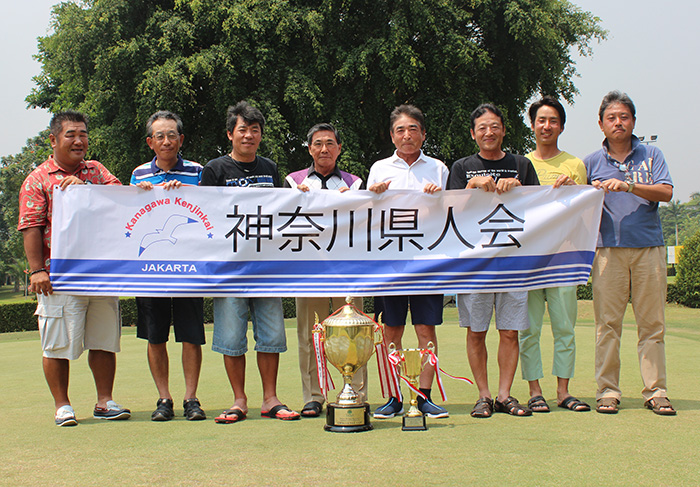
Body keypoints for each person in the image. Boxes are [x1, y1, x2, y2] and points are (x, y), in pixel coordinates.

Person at [18, 110, 130, 426]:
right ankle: (62, 405)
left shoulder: (96, 171)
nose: (79, 141)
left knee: (104, 340)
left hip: (100, 271)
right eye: (71, 135)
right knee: (56, 343)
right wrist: (36, 270)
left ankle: (105, 401)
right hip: (59, 274)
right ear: (53, 140)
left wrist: (83, 187)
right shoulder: (38, 179)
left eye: (83, 134)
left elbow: (120, 197)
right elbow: (31, 227)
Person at [201, 101, 300, 423]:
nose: (248, 136)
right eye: (242, 130)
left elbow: (285, 211)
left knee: (271, 335)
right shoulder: (215, 170)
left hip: (267, 269)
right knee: (231, 337)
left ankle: (270, 398)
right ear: (230, 134)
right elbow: (205, 217)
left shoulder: (270, 168)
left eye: (254, 130)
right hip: (229, 269)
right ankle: (239, 399)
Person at [585, 91, 675, 415]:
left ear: (633, 121)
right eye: (611, 117)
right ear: (601, 124)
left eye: (624, 116)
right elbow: (572, 205)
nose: (618, 122)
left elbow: (666, 191)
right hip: (608, 250)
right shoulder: (591, 162)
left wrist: (629, 186)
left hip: (648, 248)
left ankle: (656, 391)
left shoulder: (651, 154)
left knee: (652, 324)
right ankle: (607, 391)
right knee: (607, 324)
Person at [448, 103, 539, 418]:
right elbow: (449, 215)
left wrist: (520, 188)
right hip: (474, 263)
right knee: (476, 330)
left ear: (504, 129)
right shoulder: (461, 168)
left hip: (513, 261)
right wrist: (471, 186)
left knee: (510, 330)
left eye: (495, 126)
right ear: (473, 134)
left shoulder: (522, 165)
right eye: (482, 127)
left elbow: (540, 210)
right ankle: (483, 395)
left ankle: (504, 395)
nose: (489, 132)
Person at [367, 104, 450, 419]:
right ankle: (393, 397)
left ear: (423, 134)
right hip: (390, 263)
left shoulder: (439, 169)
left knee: (426, 329)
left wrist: (439, 197)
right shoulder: (379, 169)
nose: (407, 135)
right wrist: (372, 194)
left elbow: (455, 216)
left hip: (428, 262)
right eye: (400, 130)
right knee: (391, 330)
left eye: (413, 129)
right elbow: (366, 218)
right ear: (392, 135)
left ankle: (424, 396)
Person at [284, 123, 367, 417]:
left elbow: (363, 224)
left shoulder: (355, 183)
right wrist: (296, 199)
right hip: (308, 269)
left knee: (354, 331)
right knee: (310, 334)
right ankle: (314, 395)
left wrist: (353, 201)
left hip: (347, 268)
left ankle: (355, 391)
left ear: (339, 148)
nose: (324, 149)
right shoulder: (293, 182)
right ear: (309, 149)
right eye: (318, 143)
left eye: (330, 143)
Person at [130, 110, 206, 421]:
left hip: (189, 266)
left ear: (181, 139)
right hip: (150, 267)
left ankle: (191, 398)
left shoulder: (198, 171)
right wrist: (139, 195)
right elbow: (127, 214)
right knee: (155, 335)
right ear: (150, 142)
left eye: (172, 135)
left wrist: (190, 193)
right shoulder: (138, 175)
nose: (166, 141)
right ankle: (164, 398)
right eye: (159, 136)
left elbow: (212, 207)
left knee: (190, 334)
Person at [518, 97, 590, 413]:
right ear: (532, 125)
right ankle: (535, 391)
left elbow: (586, 212)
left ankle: (563, 391)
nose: (547, 126)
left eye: (553, 121)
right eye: (541, 120)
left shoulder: (575, 165)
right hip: (529, 259)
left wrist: (575, 187)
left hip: (564, 258)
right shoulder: (521, 164)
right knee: (528, 328)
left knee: (564, 327)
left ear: (561, 126)